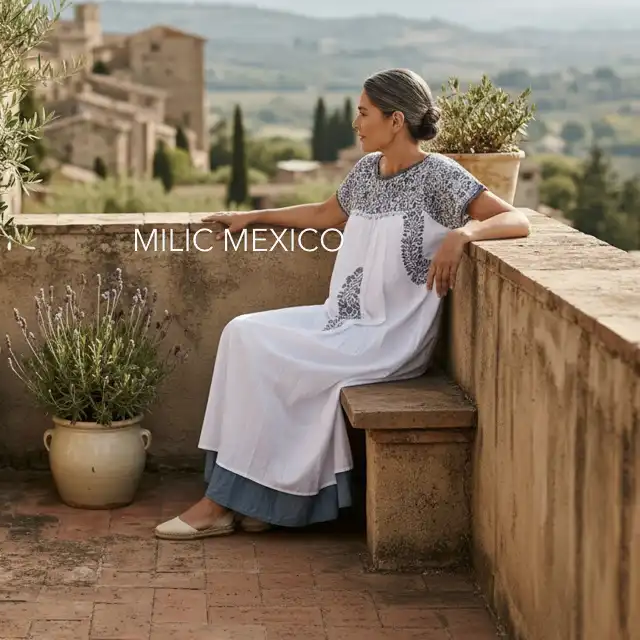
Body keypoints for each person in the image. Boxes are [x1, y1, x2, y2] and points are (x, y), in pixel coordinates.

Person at [154, 68, 530, 540]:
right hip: (342, 320)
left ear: (396, 120)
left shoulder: (441, 176)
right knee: (241, 333)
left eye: (363, 112)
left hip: (389, 338)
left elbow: (516, 220)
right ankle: (247, 497)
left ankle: (220, 506)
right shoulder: (366, 172)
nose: (356, 122)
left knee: (271, 357)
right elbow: (322, 214)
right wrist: (251, 216)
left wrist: (463, 233)